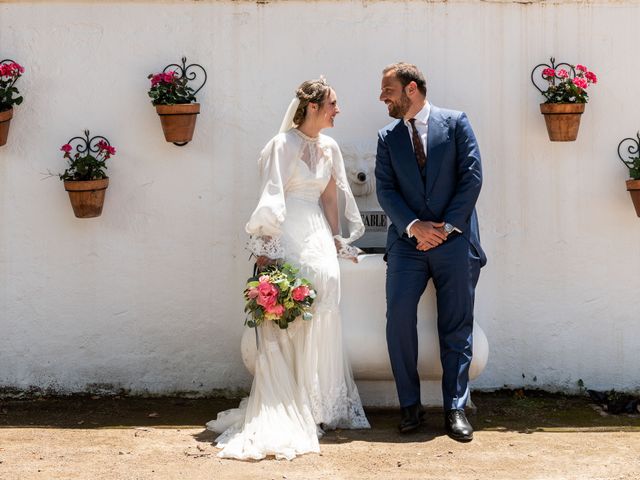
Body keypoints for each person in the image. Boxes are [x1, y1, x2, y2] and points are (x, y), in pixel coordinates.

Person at [206, 77, 370, 461]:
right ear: (312, 107)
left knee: (325, 302)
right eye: (333, 103)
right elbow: (272, 195)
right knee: (294, 311)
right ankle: (292, 401)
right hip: (289, 232)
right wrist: (268, 250)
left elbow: (330, 196)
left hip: (316, 232)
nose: (338, 110)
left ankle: (321, 405)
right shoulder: (282, 145)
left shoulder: (330, 147)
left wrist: (335, 238)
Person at [375, 63, 487, 442]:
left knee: (456, 324)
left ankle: (455, 408)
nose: (381, 97)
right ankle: (410, 406)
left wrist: (446, 227)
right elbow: (386, 190)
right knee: (399, 319)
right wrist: (414, 227)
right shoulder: (386, 137)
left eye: (387, 89)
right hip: (407, 245)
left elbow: (472, 177)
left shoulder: (455, 123)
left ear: (410, 89)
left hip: (454, 241)